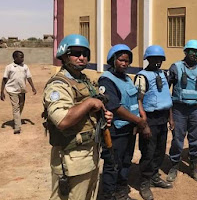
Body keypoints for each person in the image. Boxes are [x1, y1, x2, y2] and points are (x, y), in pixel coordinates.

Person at [42, 34, 113, 200]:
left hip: (90, 153)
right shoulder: (58, 84)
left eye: (85, 54)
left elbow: (94, 108)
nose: (82, 57)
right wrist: (89, 103)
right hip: (71, 158)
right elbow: (62, 120)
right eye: (76, 53)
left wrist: (103, 115)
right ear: (64, 55)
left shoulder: (85, 80)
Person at [98, 44, 150, 200]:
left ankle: (121, 191)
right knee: (112, 164)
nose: (124, 64)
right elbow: (115, 107)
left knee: (125, 162)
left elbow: (135, 100)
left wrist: (141, 117)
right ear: (113, 60)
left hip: (129, 130)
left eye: (127, 61)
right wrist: (139, 122)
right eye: (121, 60)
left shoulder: (128, 79)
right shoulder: (106, 80)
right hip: (115, 131)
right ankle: (108, 195)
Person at [166, 40, 197, 182]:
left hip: (196, 108)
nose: (194, 54)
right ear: (185, 52)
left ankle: (193, 166)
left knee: (196, 137)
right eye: (191, 51)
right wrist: (169, 114)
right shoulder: (176, 67)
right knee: (177, 138)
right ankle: (174, 165)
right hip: (179, 108)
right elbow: (165, 89)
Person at [134, 45, 174, 200]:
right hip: (149, 118)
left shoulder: (163, 74)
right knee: (148, 152)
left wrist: (170, 118)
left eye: (160, 59)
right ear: (147, 59)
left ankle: (155, 177)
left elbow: (166, 97)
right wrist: (143, 123)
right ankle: (144, 182)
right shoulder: (142, 77)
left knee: (159, 150)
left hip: (162, 117)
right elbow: (138, 100)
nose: (158, 62)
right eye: (154, 59)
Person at [1, 50, 37, 134]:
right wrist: (1, 91)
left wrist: (33, 87)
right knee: (15, 107)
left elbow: (28, 77)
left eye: (23, 56)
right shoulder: (9, 67)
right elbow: (4, 79)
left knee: (20, 106)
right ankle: (17, 127)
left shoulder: (25, 67)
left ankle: (16, 118)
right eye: (21, 57)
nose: (23, 58)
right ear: (15, 58)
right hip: (12, 90)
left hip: (22, 90)